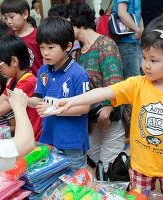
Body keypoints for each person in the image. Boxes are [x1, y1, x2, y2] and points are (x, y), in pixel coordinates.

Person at [56, 23, 163, 199]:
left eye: (154, 60)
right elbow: (104, 92)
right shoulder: (137, 84)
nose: (146, 65)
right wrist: (71, 101)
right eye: (144, 58)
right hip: (141, 166)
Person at [68, 3, 125, 172]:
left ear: (76, 22)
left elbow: (115, 81)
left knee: (109, 166)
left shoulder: (105, 44)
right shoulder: (77, 51)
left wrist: (107, 108)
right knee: (95, 162)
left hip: (108, 115)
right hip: (90, 118)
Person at [28, 16, 90, 172]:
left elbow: (84, 107)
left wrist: (53, 108)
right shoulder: (43, 71)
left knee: (75, 185)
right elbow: (38, 98)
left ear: (67, 46)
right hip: (48, 138)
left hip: (72, 142)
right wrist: (25, 100)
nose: (45, 53)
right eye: (42, 48)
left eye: (50, 47)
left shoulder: (78, 74)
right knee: (52, 184)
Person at [1, 0, 43, 75]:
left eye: (11, 17)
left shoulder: (39, 35)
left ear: (25, 14)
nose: (8, 21)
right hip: (21, 82)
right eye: (5, 18)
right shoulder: (9, 37)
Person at [113, 0, 144, 79]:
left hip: (134, 41)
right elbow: (122, 13)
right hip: (126, 41)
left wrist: (141, 33)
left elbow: (138, 15)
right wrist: (137, 29)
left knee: (137, 77)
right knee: (133, 79)